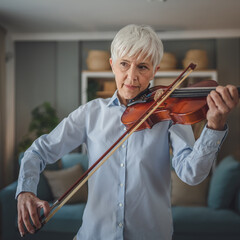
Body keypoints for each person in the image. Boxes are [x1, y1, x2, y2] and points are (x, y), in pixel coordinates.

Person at [16, 24, 239, 240]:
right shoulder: (90, 113)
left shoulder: (170, 114)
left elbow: (192, 174)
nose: (132, 76)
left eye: (142, 66)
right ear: (112, 65)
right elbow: (37, 152)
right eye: (124, 64)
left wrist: (214, 126)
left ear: (155, 71)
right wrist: (25, 191)